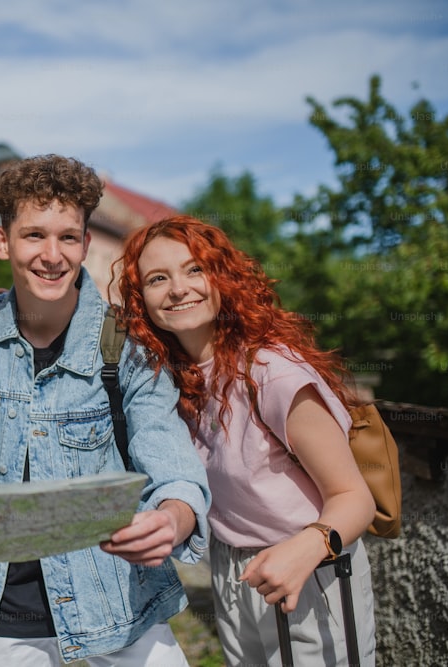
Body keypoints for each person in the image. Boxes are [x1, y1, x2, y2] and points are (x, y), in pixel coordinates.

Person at [0, 155, 211, 666]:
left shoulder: (128, 345)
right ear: (2, 242)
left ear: (86, 245)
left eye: (68, 237)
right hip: (3, 616)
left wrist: (172, 520)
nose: (52, 255)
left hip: (120, 606)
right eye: (33, 236)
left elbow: (171, 460)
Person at [117, 215, 377, 665]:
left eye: (195, 269)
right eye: (158, 278)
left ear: (223, 277)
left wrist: (306, 550)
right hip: (233, 571)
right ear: (142, 300)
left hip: (311, 569)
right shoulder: (172, 381)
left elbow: (355, 498)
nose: (178, 288)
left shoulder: (271, 372)